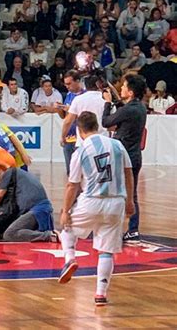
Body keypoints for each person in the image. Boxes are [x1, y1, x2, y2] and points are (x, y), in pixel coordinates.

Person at [58, 111, 135, 307]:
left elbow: (72, 184)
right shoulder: (117, 144)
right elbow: (128, 173)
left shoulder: (81, 151)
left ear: (79, 129)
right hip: (116, 201)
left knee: (66, 230)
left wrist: (65, 211)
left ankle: (70, 259)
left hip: (91, 200)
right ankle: (100, 293)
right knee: (106, 250)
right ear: (97, 126)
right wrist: (130, 201)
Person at [101, 74, 147, 243]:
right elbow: (124, 111)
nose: (121, 88)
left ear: (131, 91)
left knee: (113, 192)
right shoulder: (140, 107)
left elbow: (106, 122)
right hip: (135, 156)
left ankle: (111, 228)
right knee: (132, 194)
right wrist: (116, 98)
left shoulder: (128, 109)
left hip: (122, 156)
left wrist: (107, 103)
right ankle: (133, 230)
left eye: (124, 86)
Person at [0, 167, 56, 242]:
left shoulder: (9, 173)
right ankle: (46, 235)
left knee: (9, 234)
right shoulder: (21, 177)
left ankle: (48, 236)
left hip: (37, 210)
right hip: (41, 209)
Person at [60, 74, 107, 148]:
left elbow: (68, 121)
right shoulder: (106, 100)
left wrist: (63, 137)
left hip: (83, 143)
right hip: (104, 142)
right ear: (99, 85)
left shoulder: (78, 100)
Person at [58, 70, 85, 175]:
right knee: (70, 171)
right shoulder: (69, 95)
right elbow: (65, 117)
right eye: (65, 84)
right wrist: (60, 109)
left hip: (81, 136)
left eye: (69, 84)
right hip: (69, 136)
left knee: (81, 171)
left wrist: (72, 110)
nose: (67, 87)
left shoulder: (85, 96)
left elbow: (86, 116)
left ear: (77, 81)